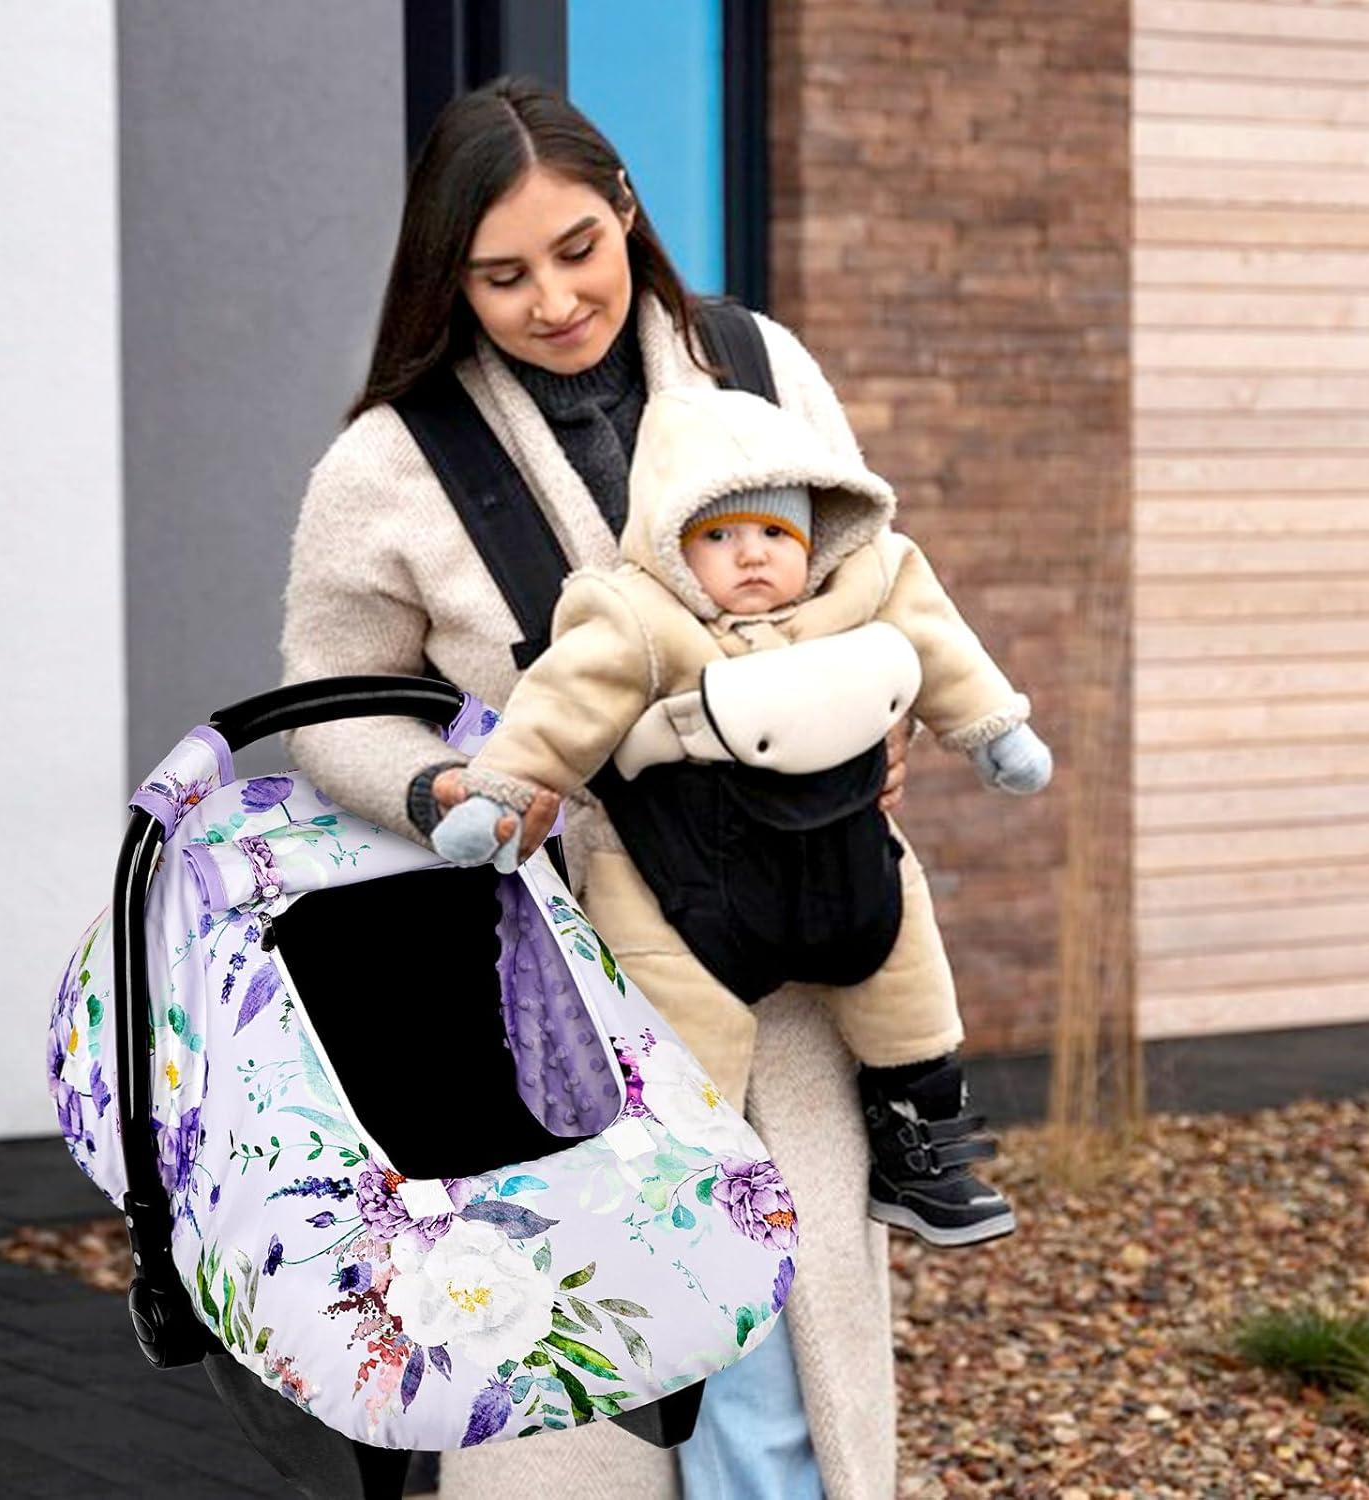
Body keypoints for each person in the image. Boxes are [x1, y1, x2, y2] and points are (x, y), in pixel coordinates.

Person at [281, 76, 907, 1499]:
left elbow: (874, 570)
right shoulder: (389, 463)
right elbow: (333, 706)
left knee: (783, 1363)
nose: (554, 298)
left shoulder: (759, 366)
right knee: (584, 1371)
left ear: (626, 207)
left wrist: (890, 697)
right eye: (501, 276)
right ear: (450, 278)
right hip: (559, 979)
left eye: (578, 249)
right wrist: (448, 786)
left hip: (792, 945)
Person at [428, 385, 1052, 1248]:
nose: (750, 556)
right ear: (673, 546)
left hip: (844, 856)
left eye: (774, 534)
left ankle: (921, 1144)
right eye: (718, 537)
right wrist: (500, 788)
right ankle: (683, 1190)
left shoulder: (866, 584)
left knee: (905, 969)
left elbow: (941, 643)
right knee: (682, 1027)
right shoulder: (640, 616)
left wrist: (994, 729)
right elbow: (563, 702)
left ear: (816, 538)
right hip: (686, 874)